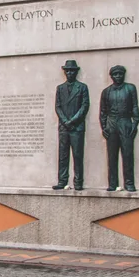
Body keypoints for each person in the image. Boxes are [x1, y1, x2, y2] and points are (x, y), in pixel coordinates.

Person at [99, 65, 139, 192]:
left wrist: (135, 123)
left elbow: (135, 107)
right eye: (115, 74)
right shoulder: (106, 91)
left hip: (125, 121)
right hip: (112, 123)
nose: (118, 76)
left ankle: (129, 183)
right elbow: (103, 112)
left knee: (127, 154)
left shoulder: (130, 88)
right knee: (112, 155)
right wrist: (104, 126)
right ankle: (112, 183)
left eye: (120, 74)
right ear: (111, 76)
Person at [53, 60, 90, 190]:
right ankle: (62, 181)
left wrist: (72, 121)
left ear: (76, 72)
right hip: (64, 127)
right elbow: (57, 107)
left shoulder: (82, 87)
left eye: (72, 71)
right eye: (67, 70)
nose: (69, 73)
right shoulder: (60, 88)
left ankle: (78, 182)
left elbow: (84, 106)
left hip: (77, 127)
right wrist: (65, 121)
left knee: (77, 155)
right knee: (63, 155)